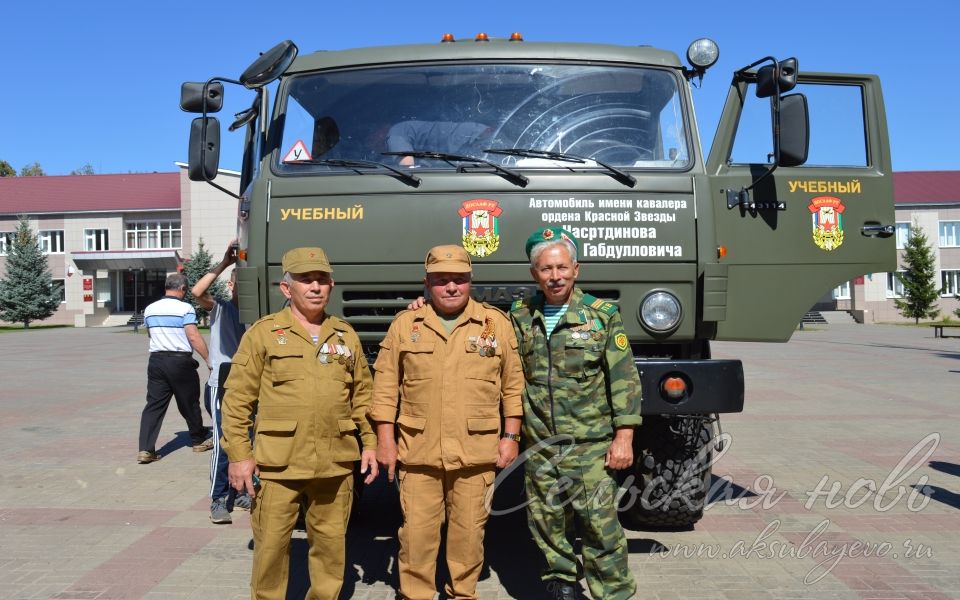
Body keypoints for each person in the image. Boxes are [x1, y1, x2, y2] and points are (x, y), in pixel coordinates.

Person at [221, 247, 378, 600]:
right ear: (286, 288)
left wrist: (369, 443)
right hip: (278, 464)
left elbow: (363, 397)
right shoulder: (263, 333)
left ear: (331, 285)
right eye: (306, 279)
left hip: (335, 464)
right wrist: (239, 455)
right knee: (272, 551)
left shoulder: (344, 334)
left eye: (322, 280)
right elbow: (236, 400)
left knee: (331, 549)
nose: (315, 287)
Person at [369, 244, 524, 600]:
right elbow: (385, 389)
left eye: (459, 279)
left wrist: (511, 435)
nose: (451, 287)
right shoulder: (407, 324)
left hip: (476, 453)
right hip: (418, 452)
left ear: (470, 281)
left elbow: (512, 386)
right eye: (442, 280)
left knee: (469, 536)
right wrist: (385, 440)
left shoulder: (494, 323)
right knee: (417, 537)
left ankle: (462, 595)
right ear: (427, 283)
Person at [509, 227, 643, 600]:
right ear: (535, 274)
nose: (555, 276)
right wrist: (423, 304)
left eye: (562, 268)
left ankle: (613, 592)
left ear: (576, 270)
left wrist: (624, 436)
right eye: (546, 269)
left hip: (590, 444)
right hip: (541, 444)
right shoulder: (520, 317)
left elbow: (624, 378)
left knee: (600, 527)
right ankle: (562, 582)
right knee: (546, 521)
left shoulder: (602, 316)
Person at [190, 242, 251, 524]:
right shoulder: (221, 308)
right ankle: (217, 499)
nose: (244, 289)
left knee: (249, 440)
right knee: (223, 442)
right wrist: (226, 262)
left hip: (249, 382)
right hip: (222, 381)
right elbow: (196, 292)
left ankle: (241, 493)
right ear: (231, 284)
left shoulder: (258, 313)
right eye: (240, 283)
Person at [138, 272, 211, 464]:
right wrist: (208, 359)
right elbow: (193, 336)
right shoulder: (185, 308)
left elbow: (151, 335)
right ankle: (197, 440)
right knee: (189, 402)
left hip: (156, 361)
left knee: (153, 405)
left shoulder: (150, 309)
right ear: (183, 289)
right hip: (179, 362)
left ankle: (146, 450)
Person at [386, 120, 492, 166]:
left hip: (478, 137)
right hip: (481, 133)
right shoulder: (409, 128)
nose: (371, 146)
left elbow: (407, 166)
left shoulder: (395, 132)